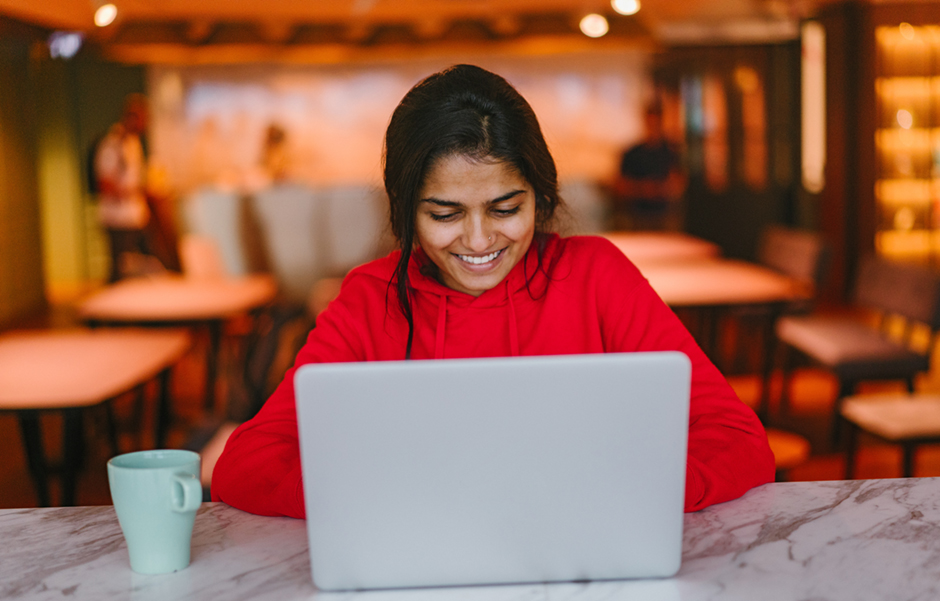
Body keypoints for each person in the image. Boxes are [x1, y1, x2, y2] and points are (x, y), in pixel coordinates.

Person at [211, 65, 774, 518]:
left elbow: (736, 439)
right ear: (406, 212)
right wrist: (400, 499)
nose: (479, 241)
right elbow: (248, 463)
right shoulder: (369, 298)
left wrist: (623, 492)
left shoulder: (597, 277)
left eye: (506, 209)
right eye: (445, 213)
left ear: (540, 197)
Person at [94, 94, 155, 282]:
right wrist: (128, 192)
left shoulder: (133, 143)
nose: (145, 124)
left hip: (134, 216)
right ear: (131, 118)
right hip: (118, 218)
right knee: (119, 269)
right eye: (143, 119)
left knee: (142, 265)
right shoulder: (112, 144)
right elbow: (104, 183)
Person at [615, 102, 686, 231]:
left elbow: (678, 185)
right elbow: (620, 185)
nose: (653, 126)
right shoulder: (632, 153)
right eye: (650, 122)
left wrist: (655, 189)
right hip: (637, 216)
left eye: (656, 123)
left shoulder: (671, 152)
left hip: (664, 217)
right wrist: (644, 189)